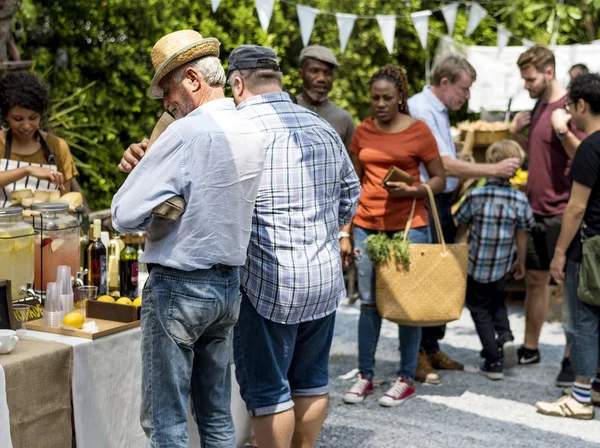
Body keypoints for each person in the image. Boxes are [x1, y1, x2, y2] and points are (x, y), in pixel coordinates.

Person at [112, 30, 265, 447]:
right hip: (228, 284)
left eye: (167, 89)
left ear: (193, 80)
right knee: (216, 417)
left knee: (167, 424)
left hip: (180, 286)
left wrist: (140, 172)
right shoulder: (250, 127)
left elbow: (123, 215)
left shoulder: (185, 133)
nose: (165, 103)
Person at [226, 45, 361, 448]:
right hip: (322, 275)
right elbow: (349, 198)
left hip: (266, 281)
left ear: (237, 83)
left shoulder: (235, 129)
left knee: (269, 393)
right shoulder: (322, 126)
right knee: (312, 380)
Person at [408, 55, 521, 384]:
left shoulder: (438, 110)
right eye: (465, 88)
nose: (467, 96)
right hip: (427, 202)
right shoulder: (422, 108)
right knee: (427, 277)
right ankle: (416, 353)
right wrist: (491, 169)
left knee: (442, 275)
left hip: (442, 201)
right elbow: (442, 164)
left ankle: (430, 346)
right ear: (445, 83)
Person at [340, 65, 445, 406]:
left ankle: (404, 377)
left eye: (387, 97)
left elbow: (440, 180)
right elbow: (354, 184)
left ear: (401, 96)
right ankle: (365, 376)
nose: (381, 104)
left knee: (405, 306)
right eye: (375, 98)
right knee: (369, 304)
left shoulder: (419, 131)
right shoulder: (364, 131)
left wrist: (414, 190)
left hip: (409, 229)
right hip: (367, 227)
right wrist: (346, 229)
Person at [509, 46, 586, 387]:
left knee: (570, 289)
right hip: (535, 210)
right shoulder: (538, 106)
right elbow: (537, 158)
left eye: (531, 79)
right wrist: (516, 135)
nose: (526, 85)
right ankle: (530, 347)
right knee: (535, 281)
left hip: (562, 211)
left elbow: (585, 156)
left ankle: (572, 360)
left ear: (549, 72)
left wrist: (560, 129)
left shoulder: (570, 109)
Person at [536, 73, 600, 419]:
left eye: (570, 106)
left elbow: (575, 208)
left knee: (580, 321)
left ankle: (579, 399)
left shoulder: (590, 147)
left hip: (590, 246)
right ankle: (595, 389)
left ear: (581, 105)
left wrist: (559, 253)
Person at [455, 140, 534, 380]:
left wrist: (455, 254)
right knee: (498, 302)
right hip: (502, 264)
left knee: (479, 309)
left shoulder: (476, 195)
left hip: (477, 263)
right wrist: (520, 260)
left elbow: (461, 226)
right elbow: (522, 234)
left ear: (490, 163)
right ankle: (506, 337)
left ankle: (493, 360)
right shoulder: (519, 200)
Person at [0, 71, 78, 206]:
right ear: (6, 115)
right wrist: (27, 170)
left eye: (33, 118)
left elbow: (67, 203)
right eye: (18, 119)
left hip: (46, 225)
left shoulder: (57, 147)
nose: (26, 126)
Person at [296, 45, 355, 151]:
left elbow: (350, 165)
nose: (321, 79)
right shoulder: (287, 109)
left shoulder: (343, 119)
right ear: (301, 74)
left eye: (328, 73)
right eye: (314, 71)